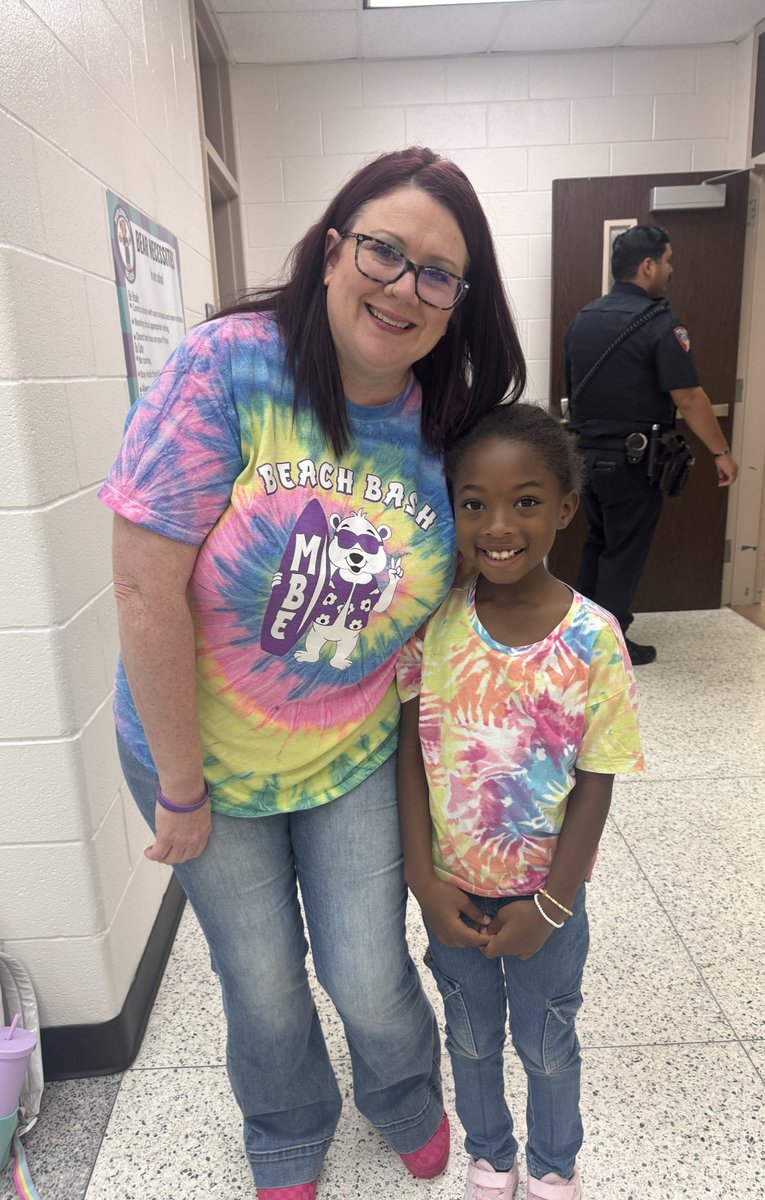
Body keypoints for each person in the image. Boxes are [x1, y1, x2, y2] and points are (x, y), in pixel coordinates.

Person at [99, 147, 525, 1200]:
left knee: (369, 975)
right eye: (384, 249)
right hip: (200, 758)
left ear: (458, 303)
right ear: (334, 248)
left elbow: (468, 601)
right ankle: (287, 1125)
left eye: (438, 272)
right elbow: (146, 588)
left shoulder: (447, 423)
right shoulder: (230, 367)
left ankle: (404, 1099)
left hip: (348, 752)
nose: (403, 286)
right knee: (263, 983)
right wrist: (184, 791)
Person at [396, 403, 644, 1200]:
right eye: (474, 503)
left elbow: (596, 781)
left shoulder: (595, 640)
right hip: (453, 894)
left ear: (565, 508)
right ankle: (491, 1154)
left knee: (545, 1046)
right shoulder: (433, 629)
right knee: (468, 1040)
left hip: (547, 900)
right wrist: (423, 883)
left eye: (525, 501)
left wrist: (553, 906)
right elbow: (410, 756)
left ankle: (550, 1166)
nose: (498, 525)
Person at [565, 223, 738, 665]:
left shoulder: (584, 319)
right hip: (632, 460)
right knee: (623, 550)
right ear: (647, 266)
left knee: (598, 543)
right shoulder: (661, 324)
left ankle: (579, 636)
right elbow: (690, 397)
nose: (670, 268)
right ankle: (610, 645)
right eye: (667, 260)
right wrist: (721, 452)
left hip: (584, 457)